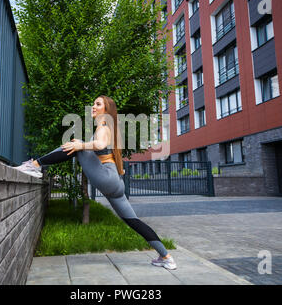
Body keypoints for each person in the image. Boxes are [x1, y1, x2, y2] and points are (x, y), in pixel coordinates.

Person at [15, 95, 177, 270]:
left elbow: (99, 144)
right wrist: (82, 144)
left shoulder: (104, 127)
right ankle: (166, 256)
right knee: (133, 221)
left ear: (106, 110)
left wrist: (80, 146)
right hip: (115, 183)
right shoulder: (108, 128)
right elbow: (98, 151)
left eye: (98, 104)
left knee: (74, 147)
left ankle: (35, 165)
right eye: (93, 103)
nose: (93, 106)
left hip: (108, 178)